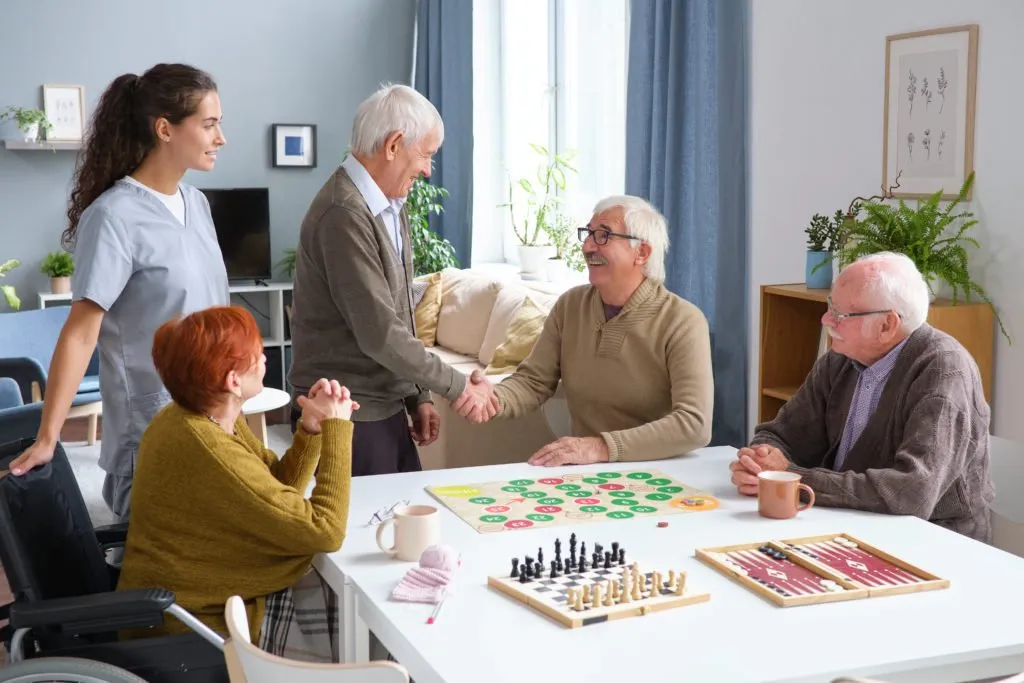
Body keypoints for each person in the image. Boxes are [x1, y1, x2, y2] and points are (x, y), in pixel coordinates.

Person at [9, 63, 230, 523]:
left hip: (215, 418)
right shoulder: (113, 217)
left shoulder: (198, 205)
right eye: (209, 125)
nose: (220, 138)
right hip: (152, 427)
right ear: (165, 129)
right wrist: (48, 436)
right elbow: (80, 334)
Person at [116, 305, 354, 663]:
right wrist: (337, 430)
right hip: (197, 621)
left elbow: (272, 489)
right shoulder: (208, 446)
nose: (263, 359)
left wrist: (310, 430)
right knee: (353, 614)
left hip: (202, 593)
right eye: (256, 354)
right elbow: (325, 531)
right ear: (232, 380)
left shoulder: (205, 415)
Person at [288, 83, 495, 476]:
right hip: (347, 412)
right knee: (368, 533)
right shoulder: (343, 213)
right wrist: (460, 387)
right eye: (427, 154)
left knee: (405, 528)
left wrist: (420, 395)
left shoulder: (389, 204)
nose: (428, 170)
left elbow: (400, 312)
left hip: (380, 404)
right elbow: (380, 333)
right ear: (395, 144)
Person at [729, 252, 994, 542]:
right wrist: (759, 462)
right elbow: (781, 434)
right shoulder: (839, 360)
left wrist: (792, 478)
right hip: (845, 526)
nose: (825, 319)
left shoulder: (944, 369)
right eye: (831, 306)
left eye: (841, 314)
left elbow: (911, 493)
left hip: (933, 544)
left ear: (887, 325)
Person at [467, 195, 714, 467]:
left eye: (603, 235)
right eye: (588, 234)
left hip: (659, 471)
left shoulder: (684, 321)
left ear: (641, 253)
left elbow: (694, 424)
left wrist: (600, 448)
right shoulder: (571, 306)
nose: (587, 246)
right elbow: (534, 381)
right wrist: (492, 398)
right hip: (587, 474)